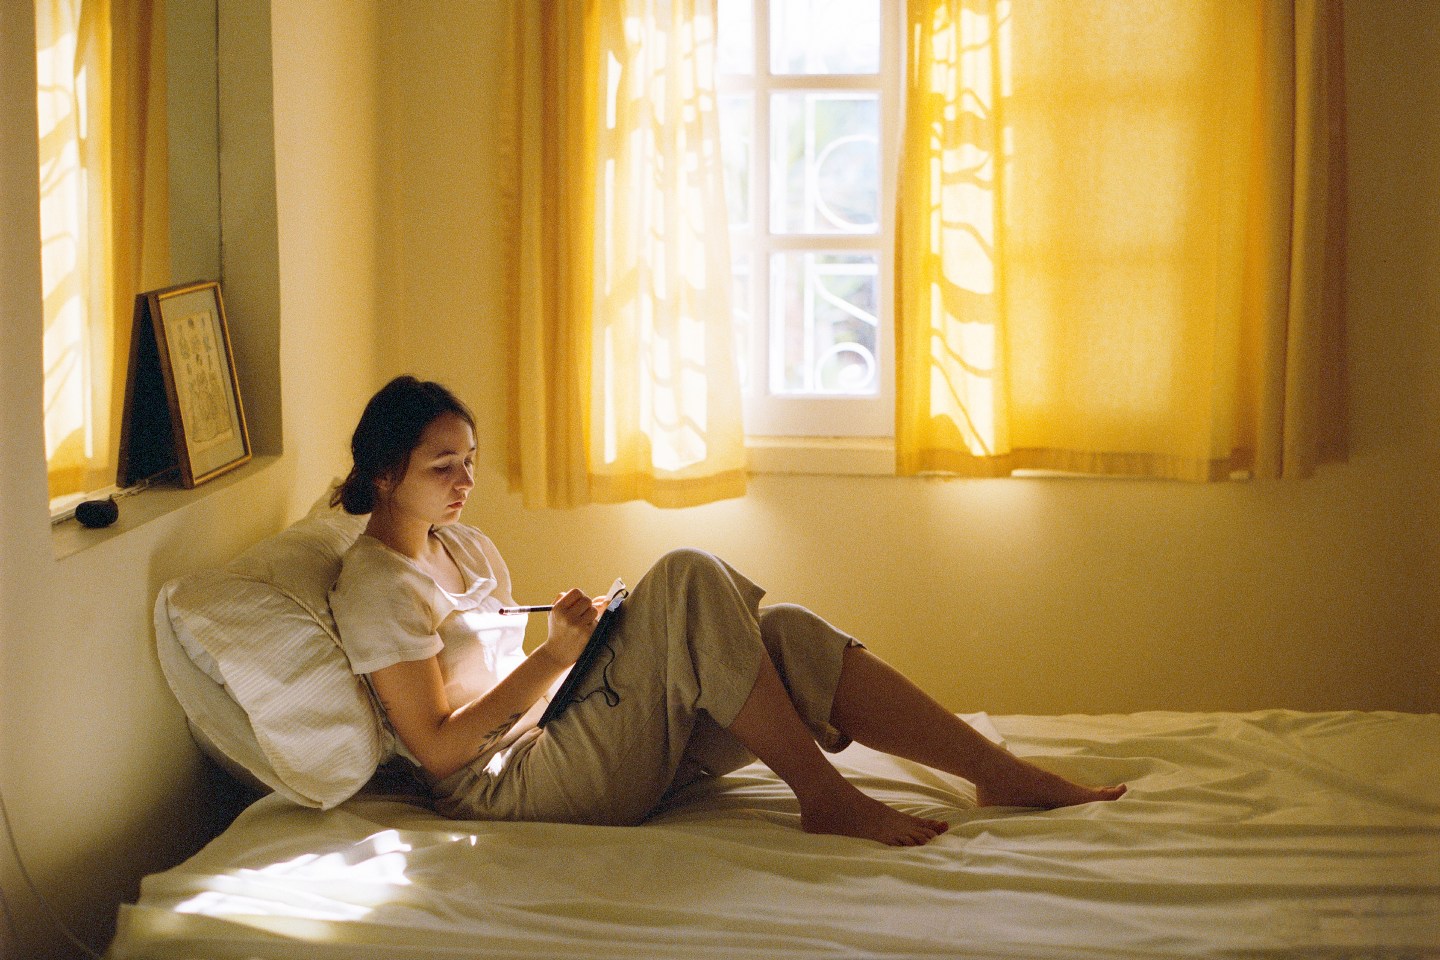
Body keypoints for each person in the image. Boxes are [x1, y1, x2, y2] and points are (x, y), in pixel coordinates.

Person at [329, 376, 1126, 847]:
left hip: (554, 735)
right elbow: (436, 752)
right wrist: (557, 656)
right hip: (503, 788)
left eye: (469, 461)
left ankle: (996, 773)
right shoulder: (375, 586)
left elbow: (518, 682)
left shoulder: (460, 545)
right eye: (443, 466)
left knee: (787, 635)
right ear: (385, 474)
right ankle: (826, 797)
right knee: (686, 574)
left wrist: (596, 645)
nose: (465, 481)